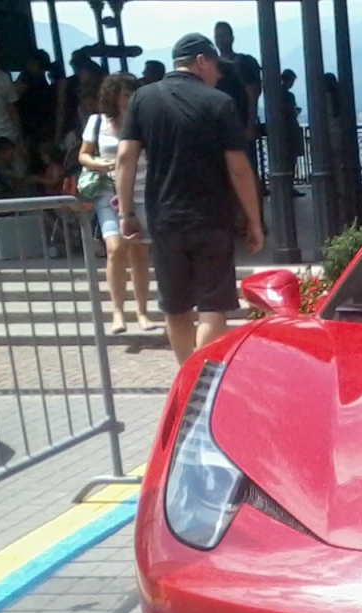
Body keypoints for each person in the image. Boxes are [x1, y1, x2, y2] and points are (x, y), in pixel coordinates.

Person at [115, 33, 263, 366]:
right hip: (211, 219)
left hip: (164, 218)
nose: (220, 74)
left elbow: (125, 157)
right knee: (213, 308)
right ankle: (202, 377)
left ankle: (187, 376)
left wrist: (126, 212)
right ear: (200, 61)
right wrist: (254, 221)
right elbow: (239, 169)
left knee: (176, 307)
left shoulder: (142, 98)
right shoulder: (219, 102)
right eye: (216, 66)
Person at [79, 72, 158, 335]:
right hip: (108, 191)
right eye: (123, 94)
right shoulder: (97, 122)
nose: (126, 99)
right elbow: (84, 155)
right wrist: (100, 164)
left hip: (141, 191)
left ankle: (142, 311)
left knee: (139, 253)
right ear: (112, 97)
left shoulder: (145, 120)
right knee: (115, 249)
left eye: (130, 94)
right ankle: (117, 312)